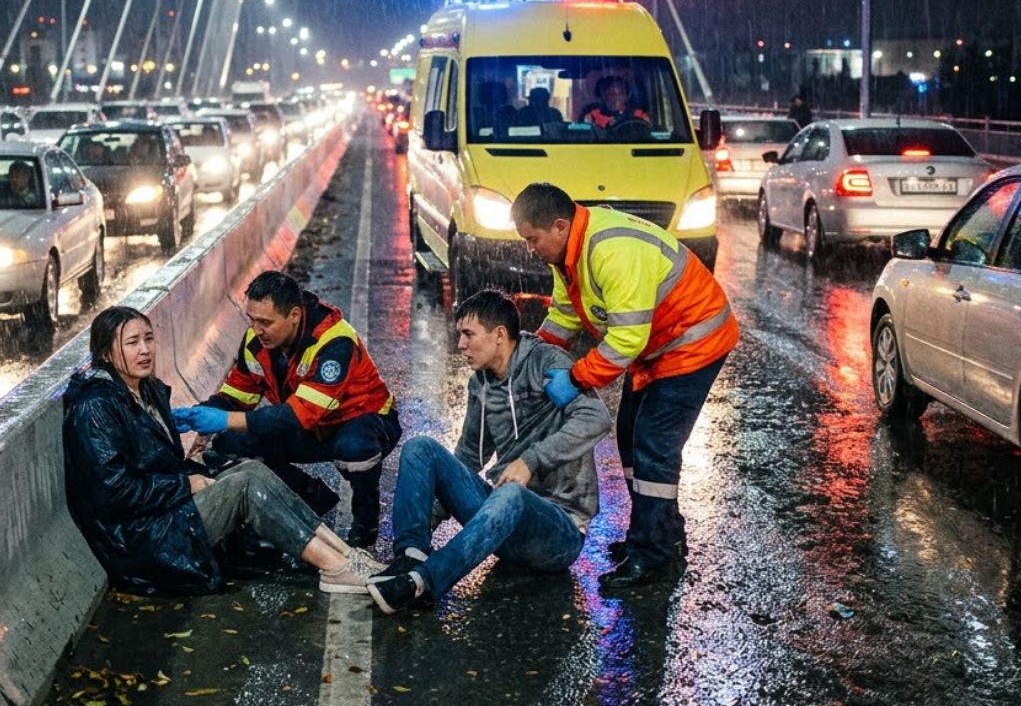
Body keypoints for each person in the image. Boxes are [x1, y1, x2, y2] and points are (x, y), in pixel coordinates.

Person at [62, 306, 384, 597]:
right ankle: (332, 567)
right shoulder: (95, 407)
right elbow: (113, 493)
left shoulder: (145, 390)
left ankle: (344, 556)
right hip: (142, 539)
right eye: (132, 343)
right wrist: (187, 484)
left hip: (163, 514)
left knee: (251, 471)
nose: (145, 350)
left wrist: (195, 471)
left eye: (149, 338)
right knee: (244, 487)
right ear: (105, 353)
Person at [512, 183, 739, 590]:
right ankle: (658, 536)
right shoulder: (569, 254)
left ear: (559, 226)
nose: (531, 248)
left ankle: (652, 558)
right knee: (631, 438)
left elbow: (625, 341)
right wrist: (531, 355)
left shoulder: (610, 249)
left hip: (693, 344)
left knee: (653, 445)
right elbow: (565, 315)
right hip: (659, 349)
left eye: (533, 239)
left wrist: (575, 378)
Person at [366, 289, 611, 614]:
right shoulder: (480, 383)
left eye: (468, 335)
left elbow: (597, 418)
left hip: (559, 531)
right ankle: (410, 558)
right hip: (504, 521)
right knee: (420, 448)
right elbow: (468, 458)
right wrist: (430, 515)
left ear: (499, 335)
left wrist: (531, 460)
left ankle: (423, 583)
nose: (461, 345)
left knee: (511, 494)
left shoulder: (545, 361)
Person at [172, 271, 400, 548]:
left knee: (356, 449)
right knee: (229, 444)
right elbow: (237, 395)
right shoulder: (256, 343)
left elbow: (299, 414)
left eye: (265, 322)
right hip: (308, 425)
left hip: (360, 421)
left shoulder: (334, 341)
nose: (256, 329)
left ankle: (366, 522)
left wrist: (224, 418)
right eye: (251, 320)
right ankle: (309, 498)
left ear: (293, 315)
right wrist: (201, 412)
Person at [580, 76, 649, 129]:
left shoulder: (639, 115)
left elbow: (648, 133)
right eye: (612, 94)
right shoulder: (592, 117)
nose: (617, 98)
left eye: (621, 93)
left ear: (627, 96)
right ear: (604, 95)